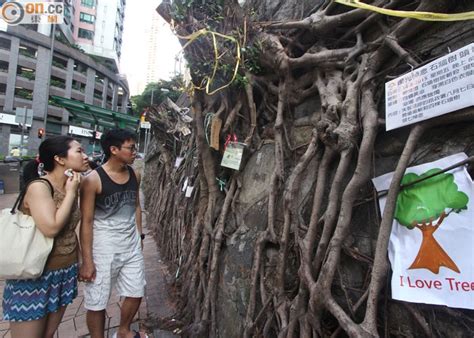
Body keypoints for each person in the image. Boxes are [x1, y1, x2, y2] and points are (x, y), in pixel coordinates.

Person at [2, 136, 89, 338]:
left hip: (64, 272)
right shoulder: (39, 187)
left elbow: (69, 229)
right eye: (79, 151)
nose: (85, 156)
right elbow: (51, 228)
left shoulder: (72, 184)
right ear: (60, 159)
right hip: (36, 274)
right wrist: (70, 194)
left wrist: (81, 261)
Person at [80, 129, 147, 338]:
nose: (135, 152)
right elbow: (87, 221)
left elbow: (136, 206)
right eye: (131, 148)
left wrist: (139, 235)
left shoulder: (135, 174)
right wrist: (87, 260)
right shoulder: (92, 180)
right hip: (103, 247)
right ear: (114, 150)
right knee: (97, 300)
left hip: (130, 245)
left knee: (136, 290)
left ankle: (124, 330)